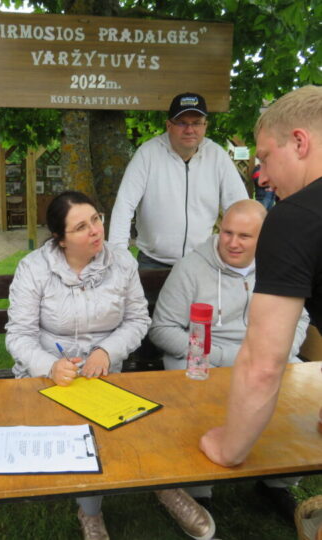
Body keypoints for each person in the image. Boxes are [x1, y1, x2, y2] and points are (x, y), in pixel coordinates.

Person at [6, 191, 216, 540]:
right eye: (80, 227)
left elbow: (137, 319)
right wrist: (51, 365)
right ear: (60, 239)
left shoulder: (122, 263)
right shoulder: (34, 269)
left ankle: (166, 487)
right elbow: (18, 335)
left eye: (96, 219)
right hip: (50, 378)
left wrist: (106, 351)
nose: (94, 230)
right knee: (86, 431)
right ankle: (91, 513)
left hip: (105, 372)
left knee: (150, 419)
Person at [150, 199, 309, 522]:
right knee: (199, 401)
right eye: (227, 233)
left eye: (245, 236)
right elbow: (162, 329)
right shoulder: (191, 269)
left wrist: (277, 352)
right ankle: (199, 490)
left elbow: (301, 319)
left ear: (264, 238)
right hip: (203, 358)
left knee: (297, 399)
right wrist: (222, 357)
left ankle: (277, 482)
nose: (233, 243)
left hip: (264, 356)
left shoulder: (280, 264)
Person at [199, 86, 322, 475]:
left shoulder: (294, 219)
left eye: (265, 157)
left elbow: (263, 363)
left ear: (300, 142)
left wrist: (229, 448)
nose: (263, 177)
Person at [109, 92, 248, 268]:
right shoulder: (147, 154)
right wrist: (119, 258)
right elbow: (124, 205)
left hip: (201, 261)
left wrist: (238, 253)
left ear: (205, 125)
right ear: (169, 125)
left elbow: (239, 207)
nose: (189, 130)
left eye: (196, 123)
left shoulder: (217, 156)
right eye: (182, 122)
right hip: (153, 261)